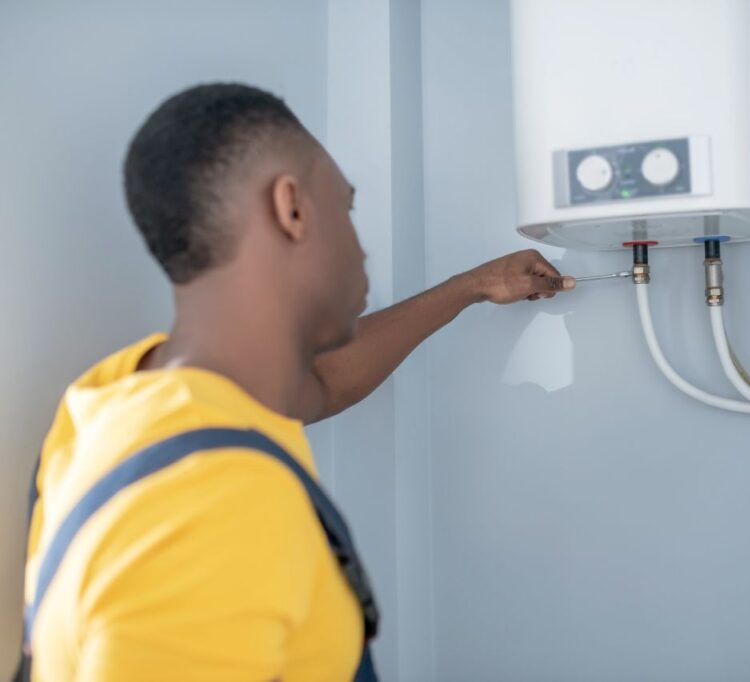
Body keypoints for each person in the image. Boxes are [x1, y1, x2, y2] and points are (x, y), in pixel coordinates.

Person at [20, 82, 574, 681]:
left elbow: (321, 383)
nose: (361, 250)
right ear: (292, 209)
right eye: (347, 208)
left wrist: (472, 285)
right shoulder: (208, 503)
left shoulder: (124, 399)